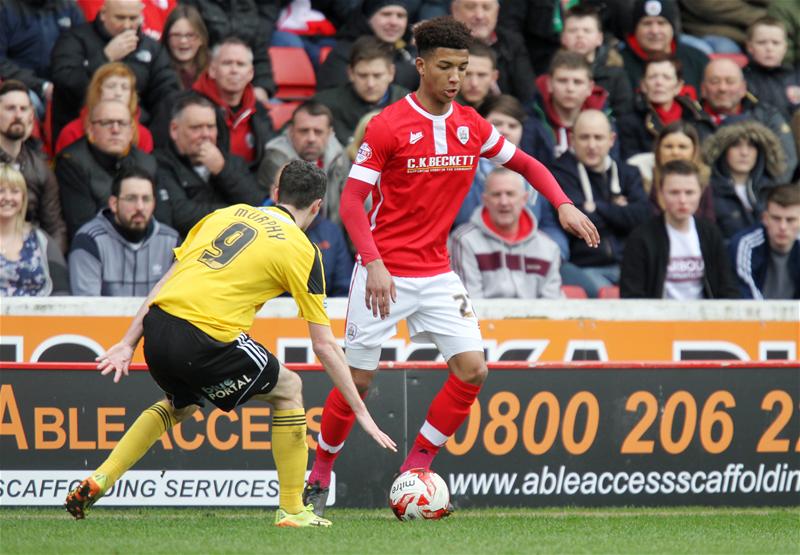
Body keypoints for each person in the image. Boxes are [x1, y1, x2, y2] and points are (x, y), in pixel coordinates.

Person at [301, 16, 598, 517]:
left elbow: (526, 165)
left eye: (463, 67)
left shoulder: (471, 124)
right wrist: (372, 262)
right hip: (384, 272)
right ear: (421, 66)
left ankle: (416, 465)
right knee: (359, 382)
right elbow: (351, 202)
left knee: (473, 370)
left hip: (437, 272)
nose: (456, 76)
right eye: (446, 67)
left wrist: (563, 203)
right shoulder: (389, 124)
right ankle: (321, 473)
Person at [63, 159, 395, 526]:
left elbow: (166, 283)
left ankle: (101, 478)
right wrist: (361, 413)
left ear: (275, 193)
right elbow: (324, 345)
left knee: (179, 405)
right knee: (289, 388)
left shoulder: (227, 213)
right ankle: (293, 510)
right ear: (317, 207)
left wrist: (128, 342)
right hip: (205, 336)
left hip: (157, 328)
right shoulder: (303, 250)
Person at [50, 0, 180, 147]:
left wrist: (154, 139)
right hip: (84, 134)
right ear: (103, 14)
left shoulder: (152, 48)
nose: (126, 25)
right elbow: (65, 84)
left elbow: (166, 93)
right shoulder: (75, 39)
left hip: (138, 134)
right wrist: (105, 57)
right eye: (120, 17)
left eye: (133, 18)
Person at [551, 109, 650, 297]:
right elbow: (578, 223)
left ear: (611, 140)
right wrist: (618, 210)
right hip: (584, 267)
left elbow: (641, 216)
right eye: (584, 137)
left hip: (628, 266)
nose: (591, 145)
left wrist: (597, 207)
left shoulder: (629, 173)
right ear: (572, 139)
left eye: (598, 137)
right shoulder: (559, 173)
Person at [620, 159, 739, 299]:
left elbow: (727, 287)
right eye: (674, 192)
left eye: (689, 192)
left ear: (701, 193)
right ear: (661, 194)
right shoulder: (641, 237)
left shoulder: (710, 233)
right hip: (658, 318)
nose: (682, 200)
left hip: (705, 318)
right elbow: (632, 294)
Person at [153, 93, 264, 237]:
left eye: (210, 127)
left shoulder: (232, 162)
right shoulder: (159, 163)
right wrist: (240, 213)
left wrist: (223, 170)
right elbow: (181, 216)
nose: (206, 134)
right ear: (174, 130)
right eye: (196, 128)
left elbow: (259, 206)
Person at [450, 167, 562, 299]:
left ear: (524, 199)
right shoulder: (463, 241)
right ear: (485, 200)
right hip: (484, 319)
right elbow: (469, 305)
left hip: (536, 320)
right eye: (496, 194)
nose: (504, 202)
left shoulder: (548, 247)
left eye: (510, 194)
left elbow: (553, 307)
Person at [56, 99, 157, 240]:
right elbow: (82, 226)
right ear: (90, 130)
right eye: (106, 123)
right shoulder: (72, 162)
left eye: (122, 123)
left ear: (131, 132)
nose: (115, 129)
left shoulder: (147, 163)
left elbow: (159, 222)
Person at [69, 167, 179, 296]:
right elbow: (86, 307)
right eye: (131, 198)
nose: (140, 207)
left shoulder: (171, 241)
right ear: (114, 204)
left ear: (154, 203)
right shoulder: (89, 241)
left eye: (146, 199)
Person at [699, 57, 797, 183]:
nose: (722, 88)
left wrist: (760, 195)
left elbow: (786, 162)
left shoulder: (767, 117)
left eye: (730, 82)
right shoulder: (692, 118)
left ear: (743, 88)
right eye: (714, 81)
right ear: (703, 89)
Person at [0, 80, 67, 253]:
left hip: (29, 256)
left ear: (31, 116)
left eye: (23, 109)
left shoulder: (40, 168)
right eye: (10, 108)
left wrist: (52, 266)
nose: (18, 115)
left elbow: (54, 227)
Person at [193, 37, 275, 174]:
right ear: (212, 70)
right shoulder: (191, 106)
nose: (234, 70)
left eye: (241, 64)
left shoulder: (259, 110)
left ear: (251, 73)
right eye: (227, 63)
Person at [258, 101, 349, 225]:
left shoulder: (340, 157)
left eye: (318, 132)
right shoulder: (275, 159)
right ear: (291, 131)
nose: (311, 138)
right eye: (304, 131)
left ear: (329, 133)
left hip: (332, 234)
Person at [314, 36, 410, 146]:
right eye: (363, 75)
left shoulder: (410, 105)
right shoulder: (325, 105)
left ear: (391, 73)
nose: (370, 84)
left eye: (377, 75)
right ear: (350, 73)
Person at [704, 120, 787, 240]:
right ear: (723, 150)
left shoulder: (773, 191)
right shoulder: (708, 191)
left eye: (751, 145)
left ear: (760, 151)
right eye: (736, 145)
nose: (744, 153)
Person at [0, 0, 84, 118]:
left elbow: (82, 51)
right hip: (21, 85)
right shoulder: (5, 8)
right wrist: (42, 86)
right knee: (27, 104)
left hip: (62, 83)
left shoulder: (68, 7)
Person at [181, 0, 277, 103]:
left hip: (244, 88)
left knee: (273, 106)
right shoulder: (193, 4)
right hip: (205, 85)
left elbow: (259, 52)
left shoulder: (248, 5)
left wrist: (262, 87)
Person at [618, 57, 710, 160]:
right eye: (652, 77)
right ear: (643, 85)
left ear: (678, 86)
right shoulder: (629, 120)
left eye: (666, 77)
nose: (659, 83)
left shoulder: (696, 116)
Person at [316, 0, 419, 92]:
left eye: (400, 16)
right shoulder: (344, 53)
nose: (394, 22)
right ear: (368, 18)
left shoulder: (410, 53)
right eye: (386, 14)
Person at [55, 62, 154, 154]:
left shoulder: (143, 135)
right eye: (111, 86)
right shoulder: (72, 132)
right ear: (97, 91)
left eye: (124, 88)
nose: (118, 93)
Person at [0, 164, 68, 296]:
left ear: (23, 198)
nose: (8, 197)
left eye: (15, 191)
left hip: (38, 315)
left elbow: (62, 290)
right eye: (1, 190)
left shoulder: (41, 240)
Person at [450, 0, 536, 104]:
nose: (479, 16)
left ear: (497, 12)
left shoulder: (512, 44)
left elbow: (528, 99)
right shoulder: (440, 44)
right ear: (455, 10)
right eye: (470, 7)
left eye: (486, 8)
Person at [529, 50, 609, 158]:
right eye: (562, 81)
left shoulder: (605, 120)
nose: (570, 89)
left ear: (590, 88)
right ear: (549, 84)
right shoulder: (531, 119)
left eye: (577, 82)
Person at [619, 0, 709, 95]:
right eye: (647, 23)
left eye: (661, 23)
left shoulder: (697, 60)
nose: (654, 31)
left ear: (673, 28)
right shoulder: (619, 63)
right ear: (635, 28)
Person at [560, 4, 634, 119]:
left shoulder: (616, 75)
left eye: (587, 31)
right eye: (573, 30)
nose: (580, 35)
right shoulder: (551, 71)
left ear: (599, 38)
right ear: (563, 38)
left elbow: (624, 117)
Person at [728, 183, 800, 300]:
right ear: (765, 218)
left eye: (790, 220)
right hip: (755, 317)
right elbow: (747, 299)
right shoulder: (745, 245)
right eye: (776, 218)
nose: (782, 226)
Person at [743, 17, 800, 124]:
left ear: (785, 47)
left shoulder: (796, 77)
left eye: (776, 43)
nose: (769, 48)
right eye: (762, 42)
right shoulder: (741, 79)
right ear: (750, 47)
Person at [160, 4, 210, 90]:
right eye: (176, 35)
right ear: (166, 38)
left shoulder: (213, 71)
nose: (183, 41)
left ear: (201, 38)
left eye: (190, 35)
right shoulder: (157, 72)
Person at [456, 40, 499, 111]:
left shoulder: (503, 114)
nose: (474, 83)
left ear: (494, 77)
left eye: (481, 75)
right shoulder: (440, 111)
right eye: (467, 74)